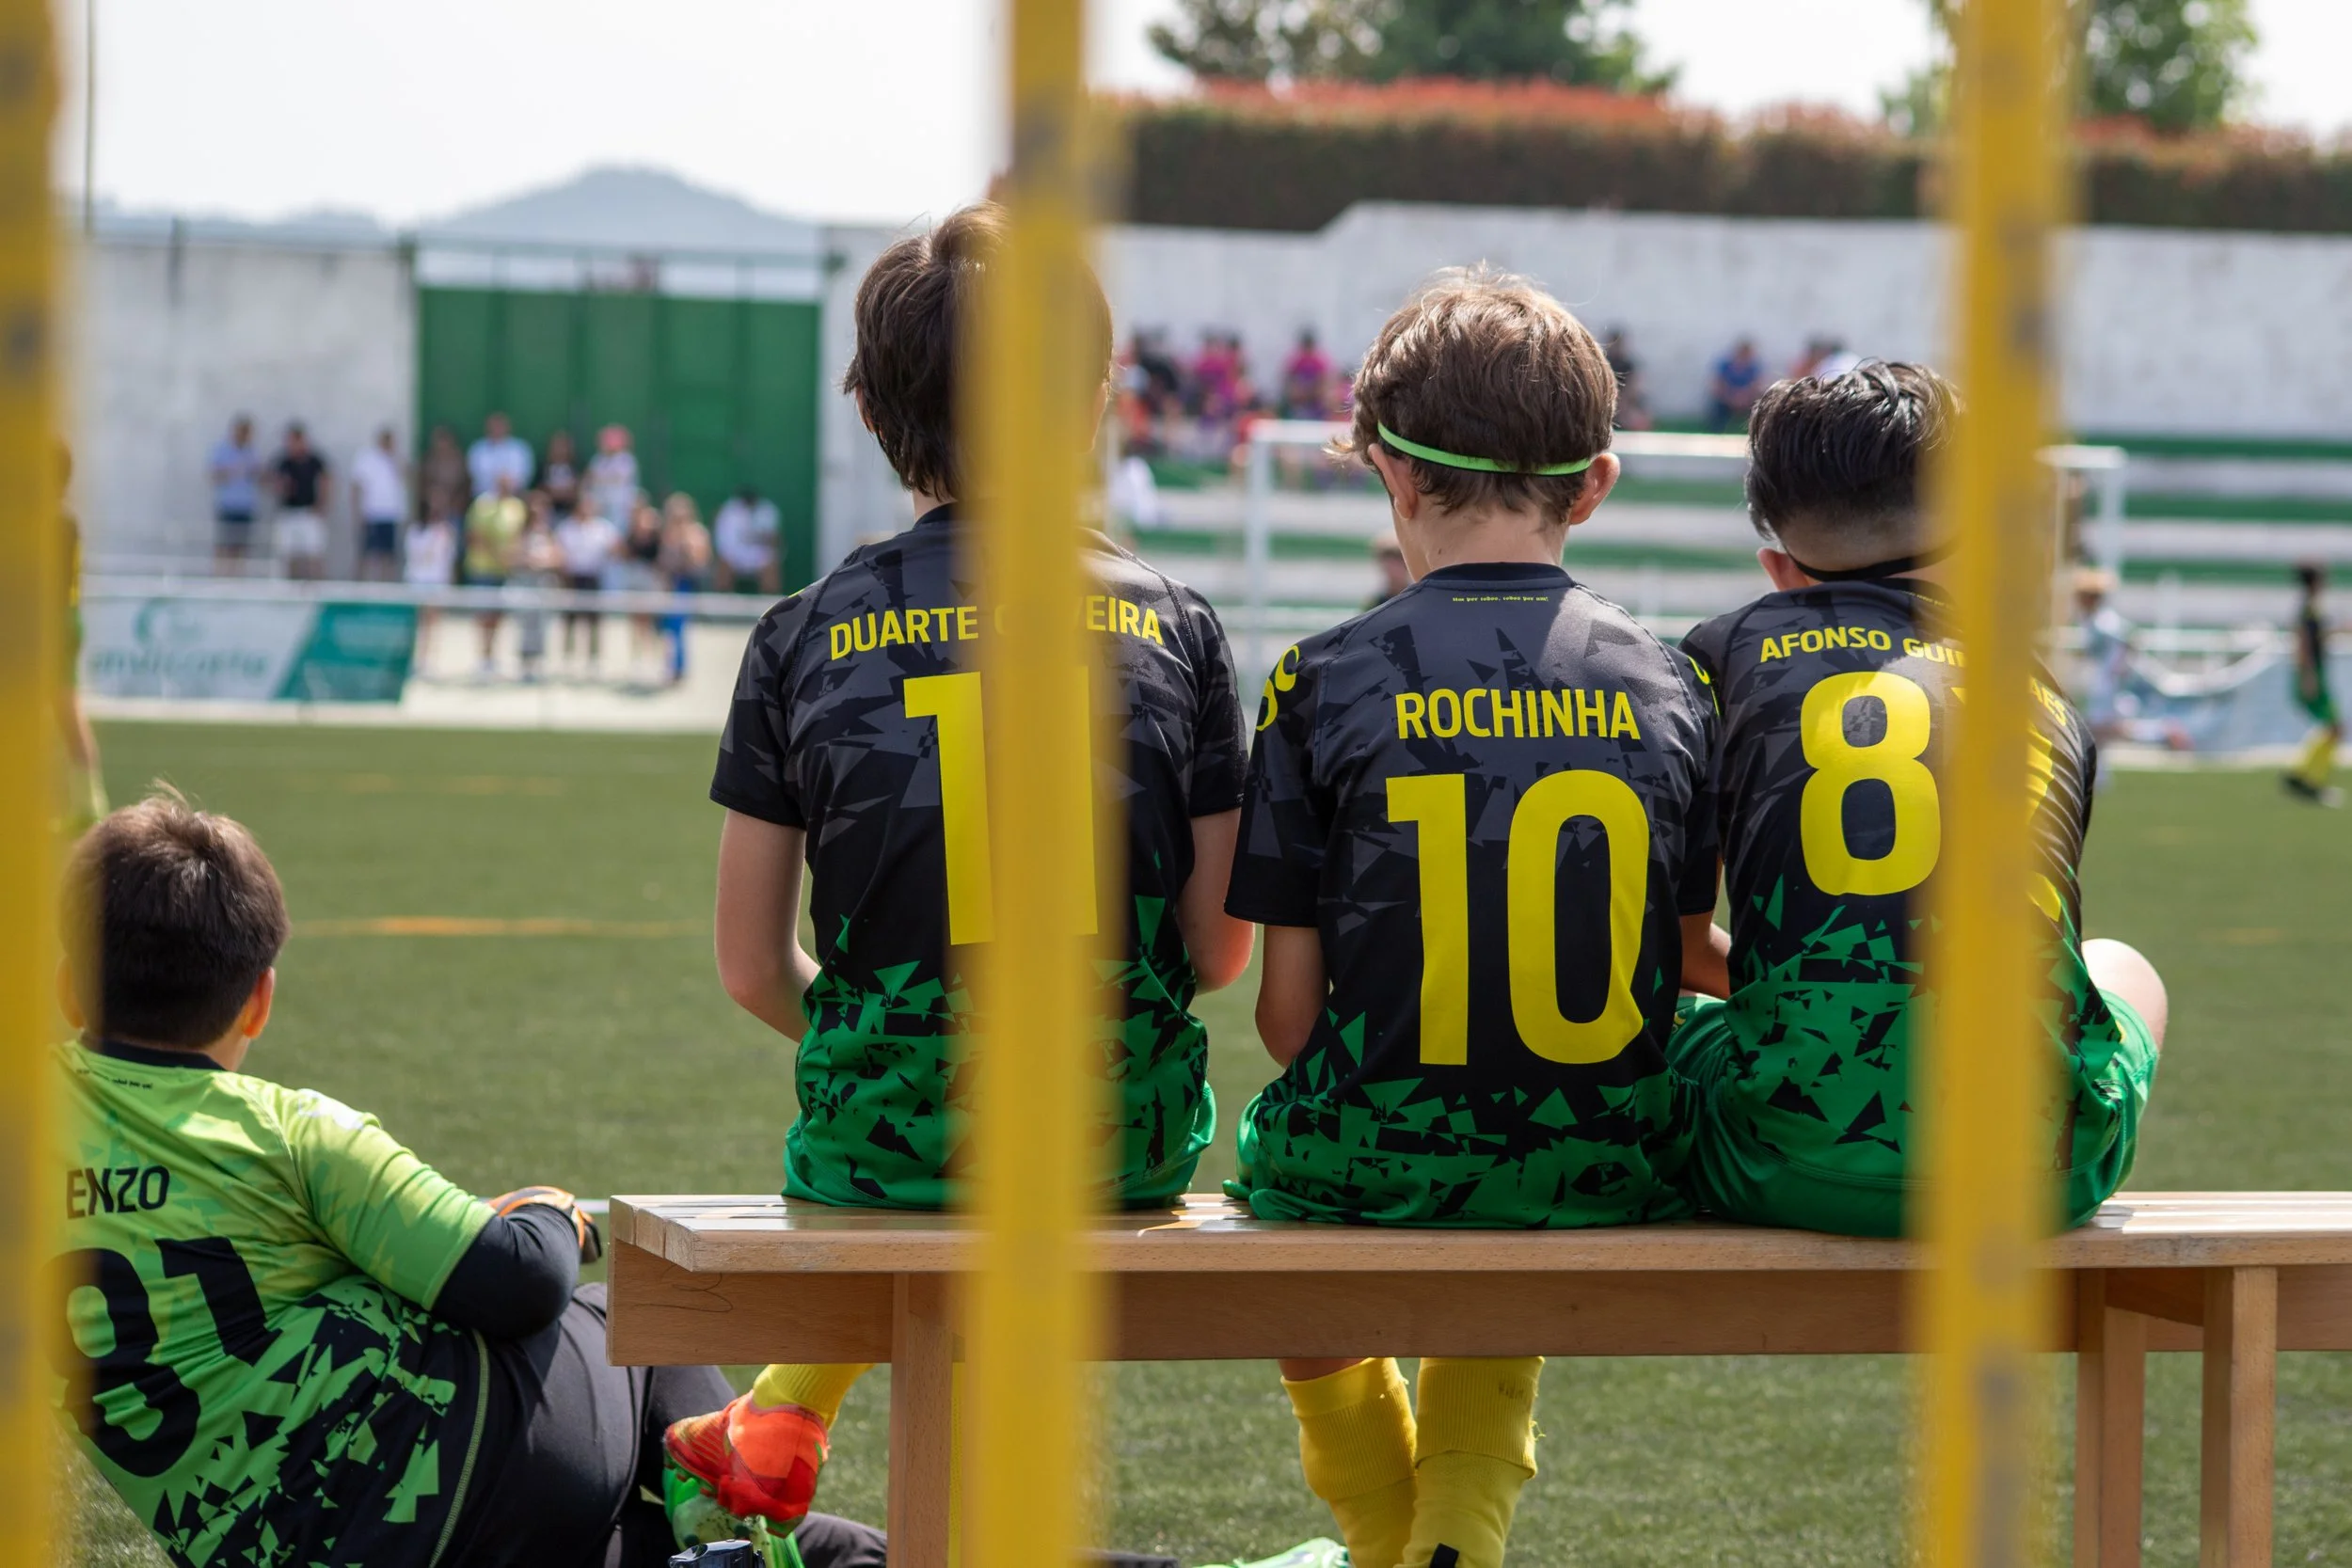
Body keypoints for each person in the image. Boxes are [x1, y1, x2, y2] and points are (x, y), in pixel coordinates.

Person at [668, 202, 1254, 1532]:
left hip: (880, 1144)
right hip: (1115, 1143)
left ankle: (782, 1414)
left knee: (910, 1133)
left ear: (871, 409)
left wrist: (898, 1035)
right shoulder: (1182, 625)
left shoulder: (800, 632)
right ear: (1097, 399)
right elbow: (1222, 954)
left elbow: (749, 963)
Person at [49, 794, 890, 1567]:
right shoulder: (286, 1131)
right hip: (456, 1475)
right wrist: (551, 1213)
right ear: (260, 1001)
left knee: (629, 1540)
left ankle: (779, 1543)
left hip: (291, 1549)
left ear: (64, 987)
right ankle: (753, 1521)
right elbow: (519, 1279)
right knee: (628, 1318)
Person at [1224, 270, 1717, 1568]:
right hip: (1606, 1165)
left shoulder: (1319, 675)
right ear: (1595, 481)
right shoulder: (1671, 680)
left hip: (1370, 1158)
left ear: (1388, 472)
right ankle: (1454, 1540)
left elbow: (1285, 1021)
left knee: (1294, 1159)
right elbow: (1682, 958)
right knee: (1531, 1138)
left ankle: (1393, 1536)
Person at [1671, 362, 2168, 1241]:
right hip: (2040, 1175)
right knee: (2124, 962)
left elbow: (1668, 945)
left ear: (1778, 568)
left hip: (1781, 1162)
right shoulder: (2038, 693)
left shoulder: (1716, 659)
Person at [2283, 561, 2342, 805]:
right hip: (2312, 673)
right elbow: (2303, 643)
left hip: (2314, 672)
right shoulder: (2308, 609)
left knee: (2332, 729)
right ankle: (2306, 779)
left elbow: (2317, 637)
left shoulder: (2312, 608)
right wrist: (2308, 675)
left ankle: (2304, 777)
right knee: (2335, 728)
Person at [464, 477, 526, 679]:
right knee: (483, 615)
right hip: (482, 569)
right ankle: (482, 657)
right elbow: (475, 535)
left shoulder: (517, 507)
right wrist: (497, 555)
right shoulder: (482, 505)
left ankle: (493, 657)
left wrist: (511, 557)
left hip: (505, 570)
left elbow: (519, 536)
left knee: (498, 617)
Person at [556, 488, 621, 673]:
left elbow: (615, 551)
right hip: (572, 578)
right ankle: (567, 658)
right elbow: (560, 553)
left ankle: (593, 659)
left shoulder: (603, 528)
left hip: (594, 578)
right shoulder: (566, 527)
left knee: (594, 621)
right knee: (569, 619)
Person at [658, 491, 714, 684]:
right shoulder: (667, 535)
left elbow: (700, 561)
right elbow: (664, 562)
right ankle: (670, 665)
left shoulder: (697, 533)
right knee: (669, 630)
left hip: (688, 585)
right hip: (671, 585)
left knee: (679, 628)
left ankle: (679, 668)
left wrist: (685, 545)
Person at [512, 491, 564, 683]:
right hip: (525, 582)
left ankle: (539, 663)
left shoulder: (550, 533)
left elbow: (559, 557)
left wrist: (543, 562)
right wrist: (527, 560)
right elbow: (513, 555)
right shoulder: (521, 533)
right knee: (526, 625)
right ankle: (525, 664)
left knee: (543, 625)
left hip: (544, 583)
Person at [269, 422, 330, 581]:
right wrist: (281, 486)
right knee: (287, 553)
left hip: (309, 512)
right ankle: (291, 588)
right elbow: (272, 483)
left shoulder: (314, 460)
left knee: (314, 552)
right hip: (288, 512)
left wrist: (322, 505)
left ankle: (316, 585)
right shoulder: (283, 462)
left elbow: (326, 480)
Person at [402, 507, 458, 672]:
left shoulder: (445, 532)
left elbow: (446, 557)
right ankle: (413, 659)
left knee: (433, 623)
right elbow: (418, 555)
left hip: (436, 581)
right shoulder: (415, 531)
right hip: (417, 581)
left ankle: (428, 660)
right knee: (416, 623)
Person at [349, 425, 408, 581]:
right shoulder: (367, 458)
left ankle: (387, 587)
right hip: (372, 513)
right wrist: (357, 512)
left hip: (390, 515)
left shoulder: (396, 459)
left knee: (389, 555)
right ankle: (361, 587)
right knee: (368, 554)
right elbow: (357, 486)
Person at [209, 415, 263, 570]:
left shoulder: (252, 452)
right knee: (224, 544)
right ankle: (221, 576)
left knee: (242, 546)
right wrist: (232, 471)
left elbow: (259, 476)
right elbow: (213, 475)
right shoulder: (222, 450)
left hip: (246, 506)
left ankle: (238, 577)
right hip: (228, 504)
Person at [713, 483, 783, 595]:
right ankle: (722, 603)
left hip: (760, 555)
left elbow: (774, 539)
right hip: (734, 555)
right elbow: (723, 542)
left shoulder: (767, 510)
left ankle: (772, 607)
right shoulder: (729, 511)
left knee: (771, 566)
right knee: (723, 564)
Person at [467, 411, 534, 499]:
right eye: (494, 425)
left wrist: (508, 484)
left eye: (500, 425)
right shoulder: (477, 449)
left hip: (515, 497)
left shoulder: (520, 448)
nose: (497, 428)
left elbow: (525, 475)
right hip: (484, 499)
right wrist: (498, 483)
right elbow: (477, 476)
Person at [588, 422, 643, 529]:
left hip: (621, 506)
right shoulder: (598, 459)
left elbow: (617, 479)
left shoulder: (626, 459)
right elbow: (591, 478)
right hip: (599, 506)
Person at [1707, 338, 1765, 431]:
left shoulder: (1753, 367)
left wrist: (1744, 397)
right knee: (1718, 406)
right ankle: (1716, 431)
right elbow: (1718, 383)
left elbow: (1757, 385)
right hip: (1727, 398)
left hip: (1747, 400)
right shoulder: (1725, 365)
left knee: (1760, 405)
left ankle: (1757, 432)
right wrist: (1730, 397)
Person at [1602, 327, 1654, 430]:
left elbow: (1633, 384)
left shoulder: (1628, 363)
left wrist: (1624, 401)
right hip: (1608, 398)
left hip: (1626, 400)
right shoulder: (1604, 362)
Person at [420, 423, 471, 524]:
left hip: (455, 508)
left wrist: (458, 501)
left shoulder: (459, 460)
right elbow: (423, 483)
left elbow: (466, 483)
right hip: (434, 508)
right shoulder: (429, 460)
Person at [1280, 328, 1335, 420]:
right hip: (1299, 398)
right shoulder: (1296, 360)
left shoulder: (1319, 361)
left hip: (1316, 399)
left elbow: (1325, 380)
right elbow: (1289, 379)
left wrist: (1313, 391)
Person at [540, 427, 583, 515]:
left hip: (571, 508)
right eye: (557, 446)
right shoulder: (545, 467)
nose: (560, 450)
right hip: (549, 508)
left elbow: (578, 487)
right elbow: (541, 488)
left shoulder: (575, 467)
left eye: (563, 447)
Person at [1365, 530, 1409, 608]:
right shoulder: (1374, 603)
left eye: (1398, 557)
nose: (1393, 565)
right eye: (1386, 557)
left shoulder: (1419, 598)